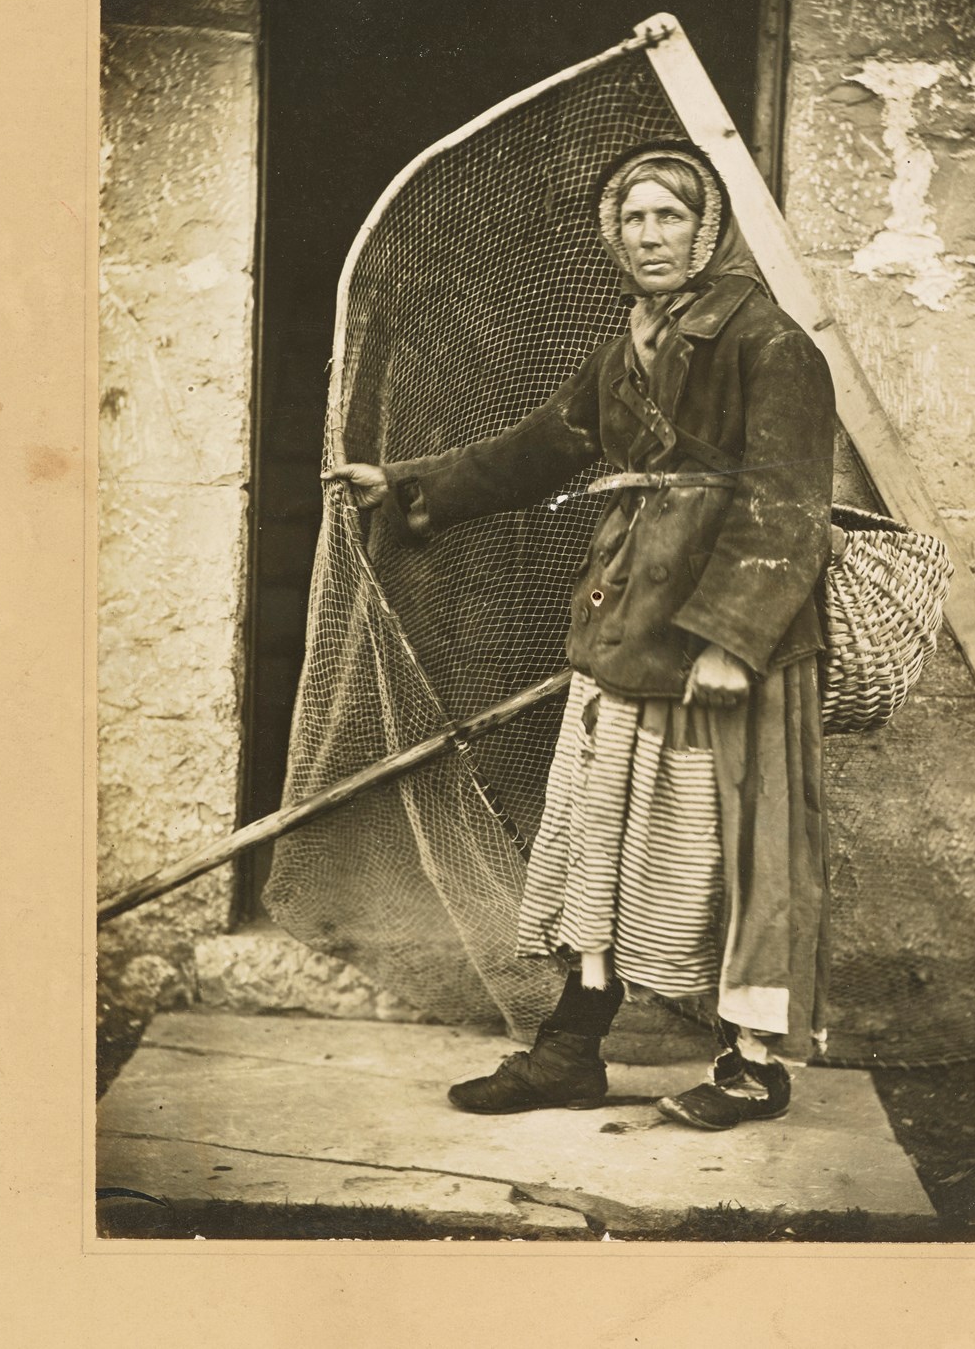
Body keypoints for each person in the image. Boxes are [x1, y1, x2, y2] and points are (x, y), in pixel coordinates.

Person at [326, 139, 836, 1131]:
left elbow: (788, 506)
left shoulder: (769, 343)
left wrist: (731, 640)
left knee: (732, 848)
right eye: (632, 219)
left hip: (723, 641)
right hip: (627, 617)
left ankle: (751, 1069)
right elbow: (548, 444)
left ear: (709, 229)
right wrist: (412, 481)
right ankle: (571, 1051)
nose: (649, 236)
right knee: (605, 835)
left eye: (669, 218)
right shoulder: (631, 341)